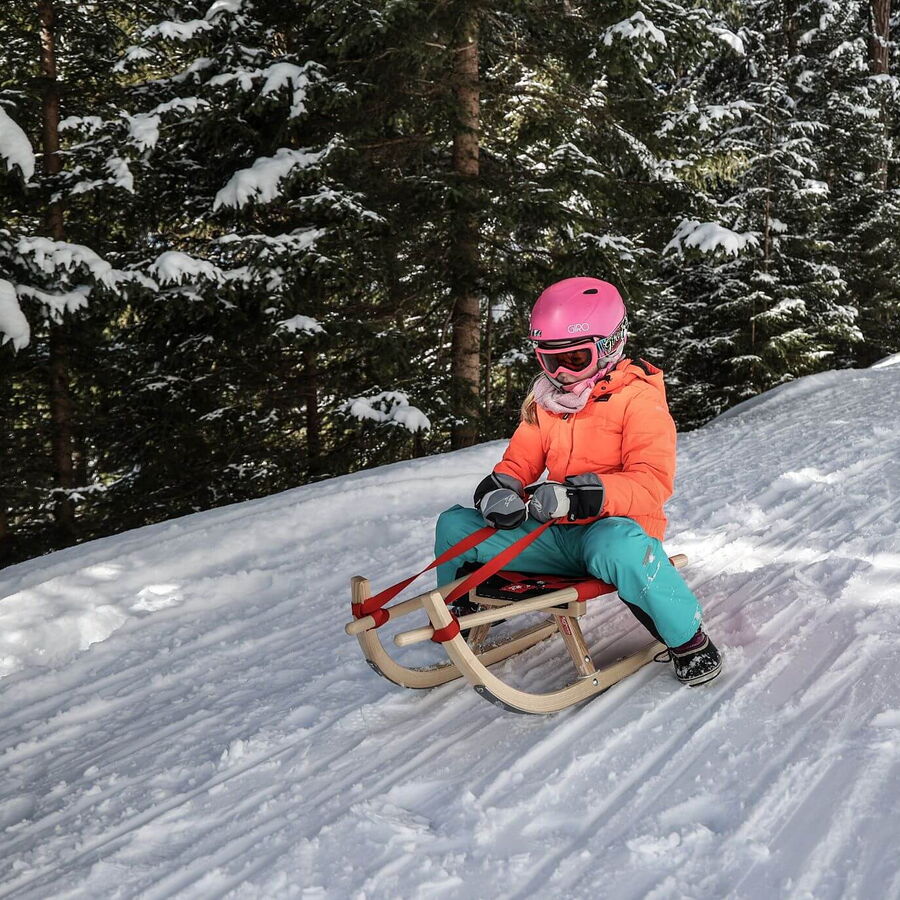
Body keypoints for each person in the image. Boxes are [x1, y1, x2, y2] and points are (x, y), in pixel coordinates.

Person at [434, 276, 721, 686]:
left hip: (611, 533)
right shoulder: (546, 402)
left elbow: (652, 482)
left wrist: (586, 496)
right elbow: (519, 462)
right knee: (455, 525)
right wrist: (499, 491)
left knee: (618, 545)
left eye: (575, 359)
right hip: (554, 532)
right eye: (551, 361)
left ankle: (689, 641)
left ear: (610, 345)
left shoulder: (638, 400)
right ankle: (461, 611)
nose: (562, 374)